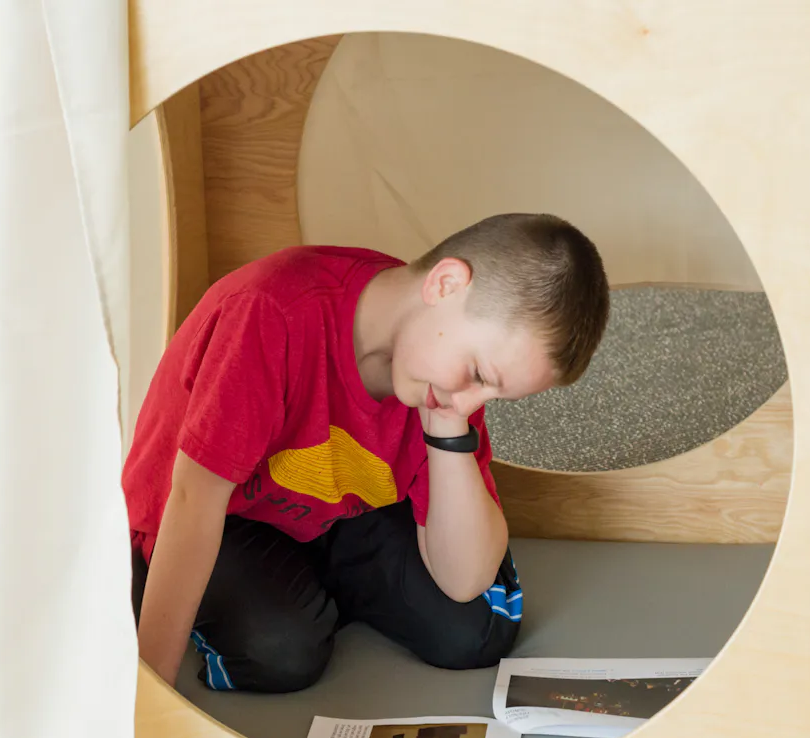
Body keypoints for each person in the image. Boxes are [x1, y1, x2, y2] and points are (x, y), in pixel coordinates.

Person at [124, 213, 610, 692]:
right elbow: (192, 501)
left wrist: (446, 428)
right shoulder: (271, 312)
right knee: (281, 651)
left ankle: (319, 590)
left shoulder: (443, 388)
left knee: (476, 628)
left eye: (493, 397)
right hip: (225, 514)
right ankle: (301, 600)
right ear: (444, 286)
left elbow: (464, 581)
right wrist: (148, 699)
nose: (469, 402)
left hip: (336, 509)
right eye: (480, 375)